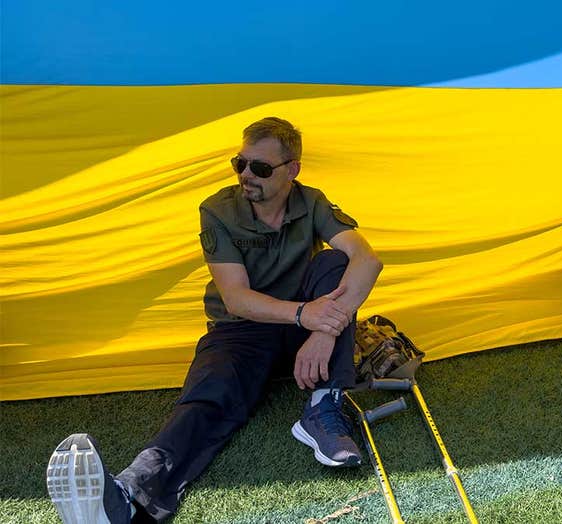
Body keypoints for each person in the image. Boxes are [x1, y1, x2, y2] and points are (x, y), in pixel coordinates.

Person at [46, 117, 383, 523]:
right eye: (238, 163)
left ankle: (321, 408)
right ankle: (127, 497)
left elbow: (368, 259)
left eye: (259, 168)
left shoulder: (311, 201)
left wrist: (325, 330)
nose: (245, 175)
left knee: (336, 262)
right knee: (207, 400)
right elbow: (236, 299)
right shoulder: (217, 210)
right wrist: (304, 314)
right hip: (241, 331)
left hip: (304, 329)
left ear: (291, 170)